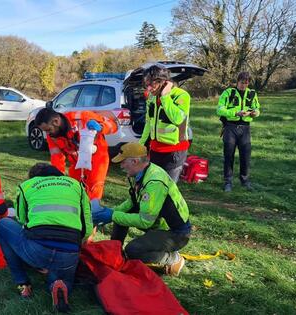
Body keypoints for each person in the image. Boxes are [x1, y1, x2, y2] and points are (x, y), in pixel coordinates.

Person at [0, 163, 93, 312]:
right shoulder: (77, 186)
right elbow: (87, 227)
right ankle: (58, 285)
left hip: (37, 250)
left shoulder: (27, 186)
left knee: (2, 225)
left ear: (33, 177)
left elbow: (22, 220)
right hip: (69, 252)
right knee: (64, 278)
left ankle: (22, 282)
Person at [92, 142, 191, 276]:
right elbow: (132, 202)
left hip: (175, 233)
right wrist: (110, 212)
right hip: (159, 223)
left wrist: (112, 215)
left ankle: (173, 259)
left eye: (123, 162)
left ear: (134, 161)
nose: (121, 166)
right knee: (121, 214)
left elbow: (145, 221)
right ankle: (115, 253)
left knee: (133, 250)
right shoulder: (142, 172)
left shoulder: (154, 182)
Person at [34, 108, 118, 200]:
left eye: (48, 129)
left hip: (97, 158)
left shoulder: (82, 117)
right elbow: (56, 158)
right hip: (76, 162)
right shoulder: (52, 136)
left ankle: (92, 211)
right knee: (73, 188)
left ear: (56, 121)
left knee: (94, 187)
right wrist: (57, 179)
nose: (47, 133)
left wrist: (101, 127)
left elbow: (113, 125)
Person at [139, 64, 191, 182]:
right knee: (154, 185)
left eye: (151, 84)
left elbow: (178, 119)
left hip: (174, 151)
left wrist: (165, 97)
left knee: (168, 189)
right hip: (156, 150)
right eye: (146, 85)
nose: (148, 89)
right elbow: (149, 123)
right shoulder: (152, 98)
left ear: (162, 81)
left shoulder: (182, 95)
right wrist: (141, 145)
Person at [217, 72, 261, 192]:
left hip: (245, 128)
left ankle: (245, 180)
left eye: (246, 83)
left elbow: (257, 109)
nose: (244, 86)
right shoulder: (228, 93)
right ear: (237, 81)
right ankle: (228, 182)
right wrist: (235, 113)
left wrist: (254, 113)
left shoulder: (252, 94)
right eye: (242, 83)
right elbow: (220, 109)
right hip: (230, 127)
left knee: (245, 156)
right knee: (228, 155)